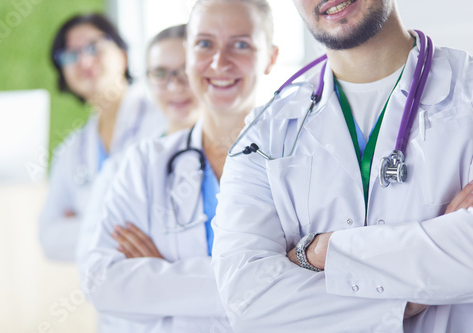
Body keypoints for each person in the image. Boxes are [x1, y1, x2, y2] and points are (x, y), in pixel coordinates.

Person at [211, 0, 473, 332]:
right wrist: (424, 288)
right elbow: (247, 299)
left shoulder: (467, 93)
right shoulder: (263, 132)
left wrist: (318, 252)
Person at [80, 0, 278, 332]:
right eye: (204, 44)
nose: (219, 62)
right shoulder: (145, 163)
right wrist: (261, 278)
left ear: (270, 58)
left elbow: (320, 285)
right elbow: (101, 281)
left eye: (240, 44)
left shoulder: (300, 160)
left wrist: (165, 282)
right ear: (188, 55)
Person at [76, 24, 199, 333]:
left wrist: (159, 273)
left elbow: (254, 272)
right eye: (160, 74)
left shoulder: (240, 158)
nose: (174, 86)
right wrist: (186, 274)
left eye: (185, 71)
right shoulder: (122, 167)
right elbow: (96, 274)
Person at [39, 13, 166, 261]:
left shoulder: (163, 118)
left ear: (123, 54)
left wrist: (85, 223)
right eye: (70, 55)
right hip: (108, 290)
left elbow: (163, 219)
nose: (84, 61)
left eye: (93, 47)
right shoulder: (71, 150)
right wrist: (122, 229)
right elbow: (49, 240)